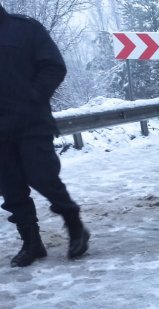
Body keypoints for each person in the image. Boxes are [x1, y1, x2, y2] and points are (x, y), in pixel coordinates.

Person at [0, 3, 90, 267]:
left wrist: (33, 97)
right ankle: (31, 242)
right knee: (11, 188)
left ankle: (75, 226)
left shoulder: (25, 29)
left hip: (31, 123)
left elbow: (54, 66)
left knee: (43, 177)